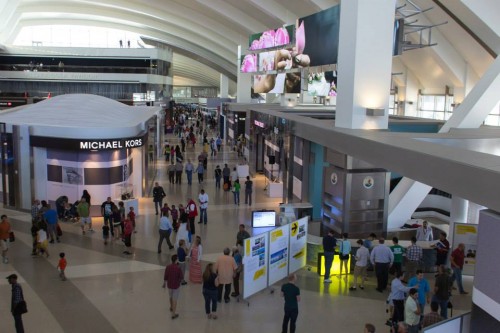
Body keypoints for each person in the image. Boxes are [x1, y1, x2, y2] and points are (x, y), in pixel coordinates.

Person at [162, 254, 183, 319]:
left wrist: (164, 283)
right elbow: (181, 277)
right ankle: (173, 314)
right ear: (176, 260)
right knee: (175, 299)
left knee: (170, 296)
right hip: (176, 286)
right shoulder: (178, 268)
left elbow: (166, 276)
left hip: (169, 285)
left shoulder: (168, 267)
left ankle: (171, 307)